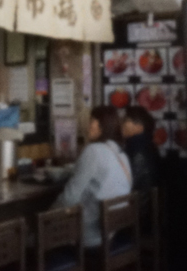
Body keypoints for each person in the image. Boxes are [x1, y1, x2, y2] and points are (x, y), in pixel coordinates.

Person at [54, 106, 132, 266]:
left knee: (33, 238)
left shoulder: (93, 151)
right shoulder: (121, 154)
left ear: (102, 126)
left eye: (91, 121)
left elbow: (69, 198)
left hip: (90, 238)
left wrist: (46, 217)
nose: (88, 125)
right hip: (110, 233)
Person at [121, 106, 160, 232]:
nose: (122, 124)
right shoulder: (148, 145)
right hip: (149, 213)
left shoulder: (136, 149)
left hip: (137, 216)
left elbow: (127, 184)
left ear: (139, 127)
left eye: (126, 120)